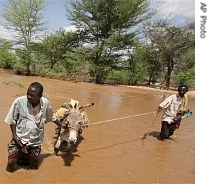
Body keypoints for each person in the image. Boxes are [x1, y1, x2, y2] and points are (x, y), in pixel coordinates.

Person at [4, 82, 65, 172]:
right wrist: (15, 137)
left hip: (35, 141)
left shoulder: (45, 103)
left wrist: (62, 125)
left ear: (40, 96)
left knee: (34, 165)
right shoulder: (19, 102)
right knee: (10, 163)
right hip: (19, 139)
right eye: (28, 93)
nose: (29, 96)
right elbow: (12, 121)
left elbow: (52, 117)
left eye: (32, 95)